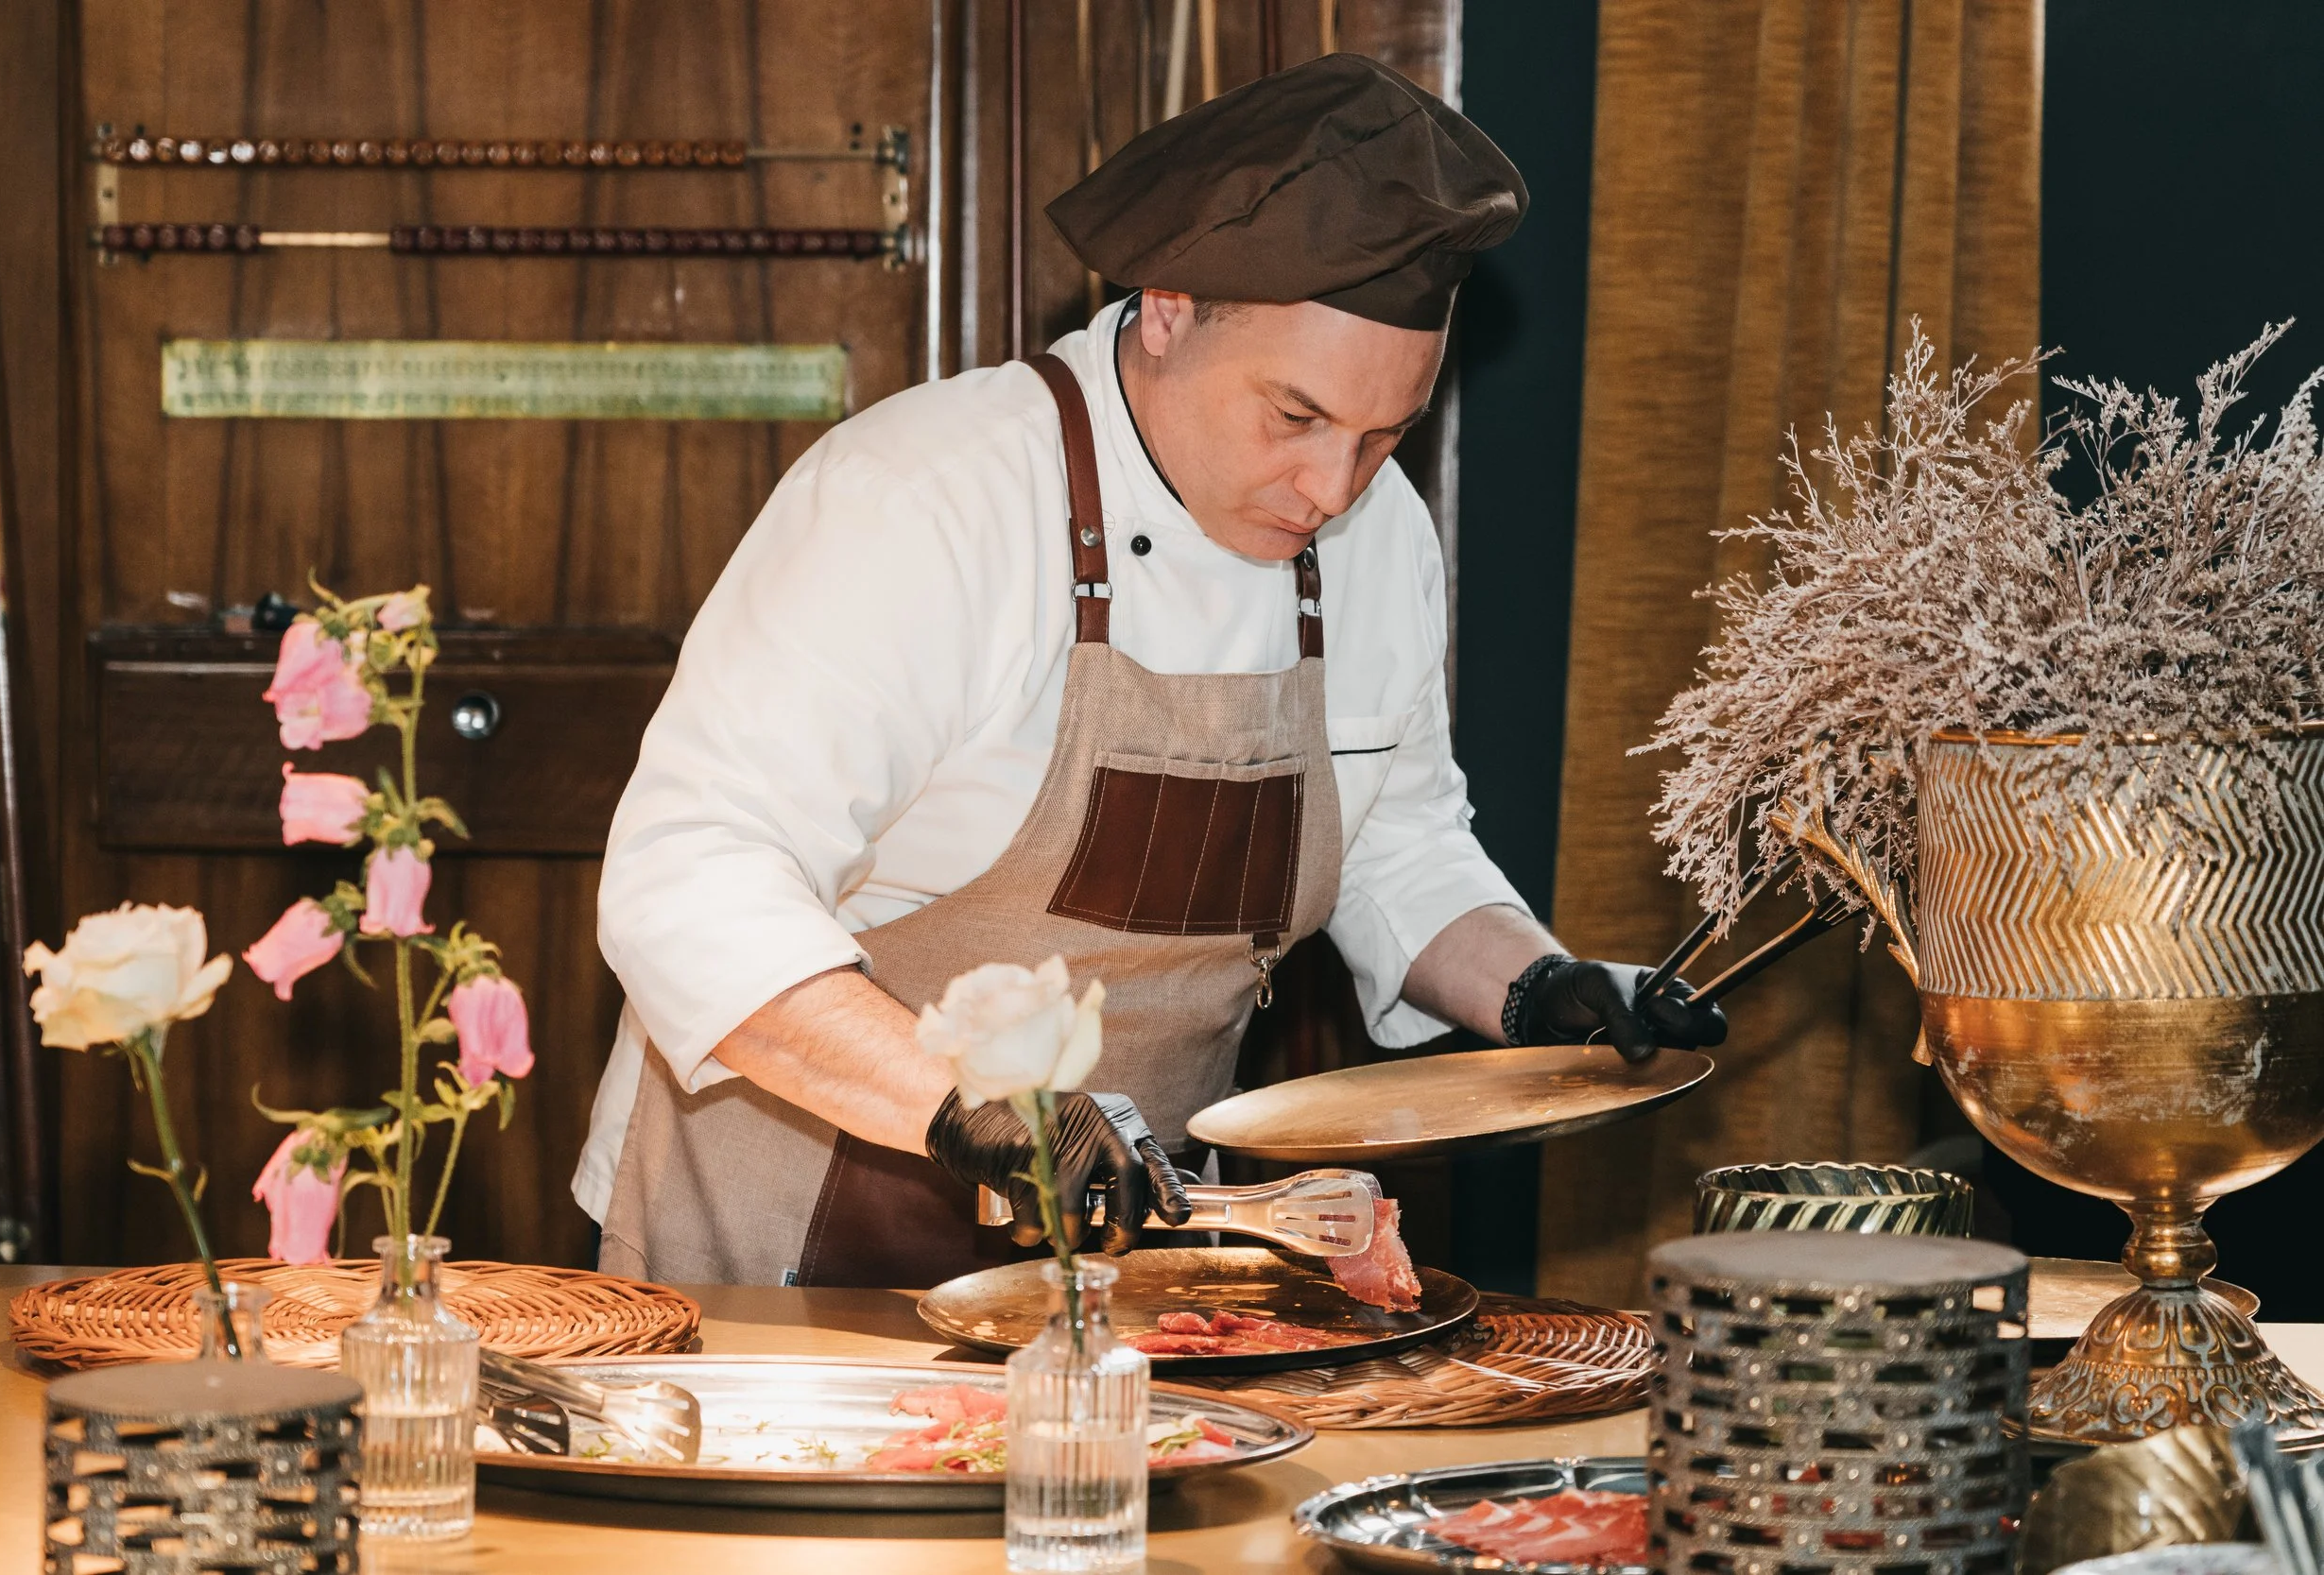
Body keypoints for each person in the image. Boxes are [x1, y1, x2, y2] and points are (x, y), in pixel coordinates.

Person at [574, 53, 1725, 1287]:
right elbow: (687, 878)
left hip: (1134, 1248)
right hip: (789, 1233)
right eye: (1294, 418)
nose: (1332, 488)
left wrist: (1537, 982)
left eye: (1384, 434)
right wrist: (983, 1106)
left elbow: (1395, 843)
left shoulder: (1378, 534)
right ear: (1169, 306)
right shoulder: (929, 498)